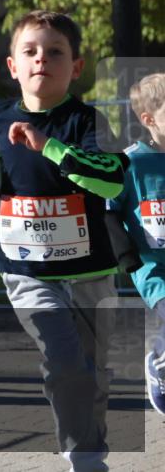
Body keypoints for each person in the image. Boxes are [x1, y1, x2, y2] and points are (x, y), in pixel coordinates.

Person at [0, 10, 129, 472]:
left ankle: (89, 450)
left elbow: (112, 179)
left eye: (55, 52)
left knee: (91, 373)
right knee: (63, 360)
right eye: (30, 52)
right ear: (12, 66)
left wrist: (49, 146)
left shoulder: (86, 121)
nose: (41, 60)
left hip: (90, 272)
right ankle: (84, 458)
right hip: (27, 272)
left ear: (76, 67)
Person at [108, 72, 165, 416]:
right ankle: (159, 363)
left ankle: (160, 355)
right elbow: (107, 210)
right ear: (149, 120)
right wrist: (125, 254)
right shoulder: (131, 163)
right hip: (152, 267)